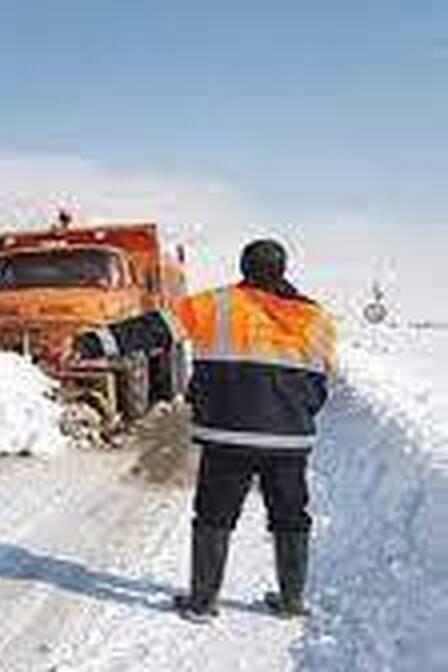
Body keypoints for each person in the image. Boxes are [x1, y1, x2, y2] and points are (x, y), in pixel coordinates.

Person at [73, 239, 337, 623]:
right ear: (283, 269)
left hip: (228, 435)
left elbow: (153, 329)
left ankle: (202, 603)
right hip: (290, 440)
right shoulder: (318, 318)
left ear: (244, 267)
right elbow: (321, 380)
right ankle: (291, 601)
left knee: (215, 515)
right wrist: (296, 414)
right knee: (291, 516)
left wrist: (91, 342)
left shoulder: (218, 304)